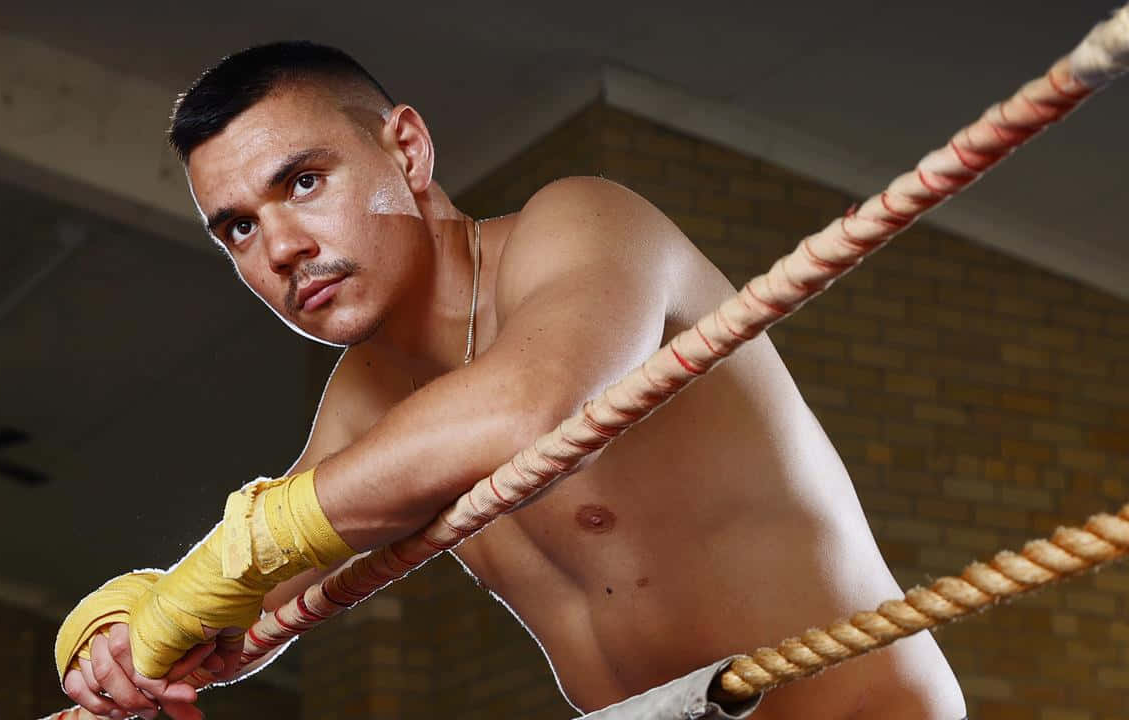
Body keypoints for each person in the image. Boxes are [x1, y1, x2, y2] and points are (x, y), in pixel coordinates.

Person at [58, 42, 966, 720]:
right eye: (239, 229)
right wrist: (128, 630)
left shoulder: (580, 223)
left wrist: (226, 563)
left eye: (302, 182)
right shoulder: (366, 400)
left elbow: (533, 403)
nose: (284, 248)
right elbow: (266, 596)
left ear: (406, 150)